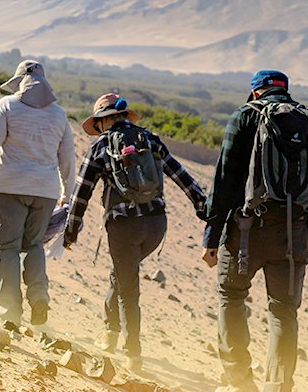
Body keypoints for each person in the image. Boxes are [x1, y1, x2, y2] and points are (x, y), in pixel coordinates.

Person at [202, 70, 308, 391]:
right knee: (284, 313)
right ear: (286, 90)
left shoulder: (244, 116)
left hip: (245, 231)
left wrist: (212, 235)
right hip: (294, 234)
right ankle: (278, 386)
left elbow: (224, 179)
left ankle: (239, 382)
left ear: (255, 92)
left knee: (231, 297)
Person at [61, 93, 208, 373]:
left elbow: (81, 194)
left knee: (128, 287)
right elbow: (181, 175)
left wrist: (71, 232)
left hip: (123, 225)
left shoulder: (100, 146)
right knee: (122, 274)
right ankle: (110, 332)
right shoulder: (150, 140)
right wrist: (202, 205)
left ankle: (133, 353)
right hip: (156, 225)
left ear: (103, 121)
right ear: (125, 116)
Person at [0, 60, 75, 326]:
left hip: (9, 187)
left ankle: (10, 312)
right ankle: (39, 296)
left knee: (6, 248)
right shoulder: (59, 115)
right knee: (33, 245)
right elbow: (68, 158)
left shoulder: (7, 106)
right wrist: (68, 194)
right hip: (45, 191)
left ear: (20, 82)